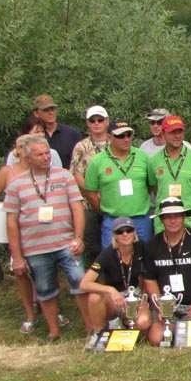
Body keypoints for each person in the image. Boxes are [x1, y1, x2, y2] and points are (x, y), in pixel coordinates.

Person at [3, 136, 89, 341]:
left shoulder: (64, 176)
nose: (45, 158)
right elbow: (11, 222)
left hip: (66, 243)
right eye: (39, 154)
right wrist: (17, 256)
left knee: (80, 283)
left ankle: (91, 327)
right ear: (28, 157)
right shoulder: (16, 184)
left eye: (47, 153)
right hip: (35, 248)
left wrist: (79, 237)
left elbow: (77, 208)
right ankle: (54, 331)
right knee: (45, 289)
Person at [140, 197, 191, 346]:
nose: (173, 221)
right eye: (168, 217)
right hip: (168, 307)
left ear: (183, 217)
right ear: (161, 219)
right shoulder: (152, 245)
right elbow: (149, 279)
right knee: (157, 339)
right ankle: (173, 327)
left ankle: (186, 327)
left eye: (177, 216)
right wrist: (160, 306)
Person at [0, 134, 48, 333]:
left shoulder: (43, 171)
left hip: (42, 230)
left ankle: (49, 309)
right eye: (25, 147)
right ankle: (30, 314)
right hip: (16, 230)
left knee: (45, 271)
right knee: (21, 271)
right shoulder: (8, 172)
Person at [83, 119, 152, 247]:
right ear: (109, 137)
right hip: (112, 220)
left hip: (141, 219)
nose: (126, 139)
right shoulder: (97, 161)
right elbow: (90, 192)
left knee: (145, 258)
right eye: (120, 136)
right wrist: (104, 209)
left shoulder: (143, 157)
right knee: (112, 260)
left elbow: (151, 185)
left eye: (128, 135)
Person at [79, 217, 151, 339]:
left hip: (138, 297)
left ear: (134, 233)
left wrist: (145, 298)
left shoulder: (143, 248)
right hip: (116, 299)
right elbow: (84, 284)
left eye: (129, 230)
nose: (125, 234)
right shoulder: (107, 254)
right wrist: (110, 290)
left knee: (143, 323)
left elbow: (151, 276)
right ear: (114, 236)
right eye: (120, 231)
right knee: (94, 297)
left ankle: (125, 325)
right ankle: (99, 334)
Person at [146, 114, 191, 234]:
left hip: (190, 221)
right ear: (163, 133)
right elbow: (154, 188)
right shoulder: (153, 161)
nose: (177, 136)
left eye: (180, 131)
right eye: (172, 132)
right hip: (163, 224)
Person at [70, 105, 110, 264]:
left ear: (107, 122)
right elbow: (74, 173)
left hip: (113, 202)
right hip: (88, 204)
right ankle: (91, 282)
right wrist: (92, 194)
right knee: (91, 245)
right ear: (87, 123)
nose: (96, 123)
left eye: (100, 120)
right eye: (92, 120)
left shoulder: (116, 142)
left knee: (113, 243)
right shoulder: (81, 146)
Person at [31, 94, 81, 169]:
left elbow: (80, 163)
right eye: (46, 110)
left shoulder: (72, 134)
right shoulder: (33, 135)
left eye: (52, 109)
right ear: (36, 113)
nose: (50, 113)